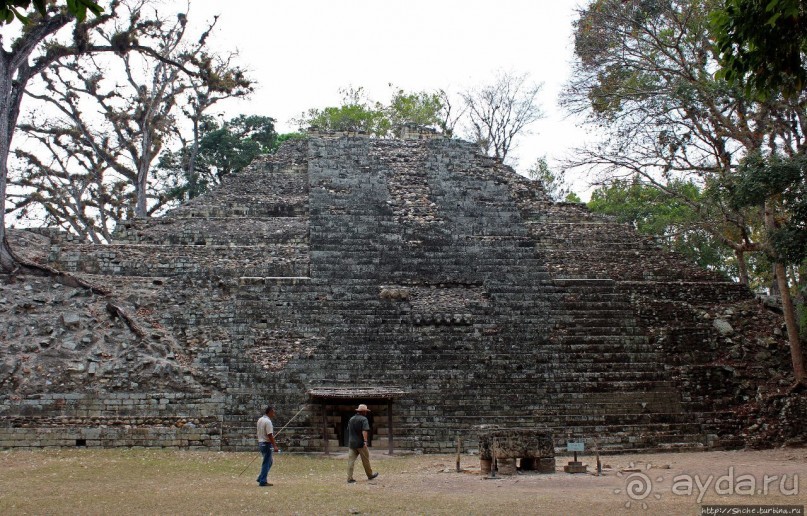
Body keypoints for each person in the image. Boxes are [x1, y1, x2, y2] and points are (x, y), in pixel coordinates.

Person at [346, 403, 379, 484]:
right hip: (360, 443)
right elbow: (364, 430)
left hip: (352, 443)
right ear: (363, 411)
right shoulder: (364, 419)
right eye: (365, 411)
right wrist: (365, 441)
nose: (366, 412)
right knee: (365, 460)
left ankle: (349, 478)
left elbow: (348, 429)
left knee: (351, 461)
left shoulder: (351, 419)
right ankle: (370, 475)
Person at [256, 405, 279, 487]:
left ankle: (260, 477)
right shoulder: (268, 422)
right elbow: (270, 435)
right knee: (266, 462)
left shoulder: (260, 420)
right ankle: (262, 481)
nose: (274, 413)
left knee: (269, 461)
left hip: (261, 443)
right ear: (269, 412)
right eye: (273, 411)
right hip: (266, 444)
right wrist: (275, 446)